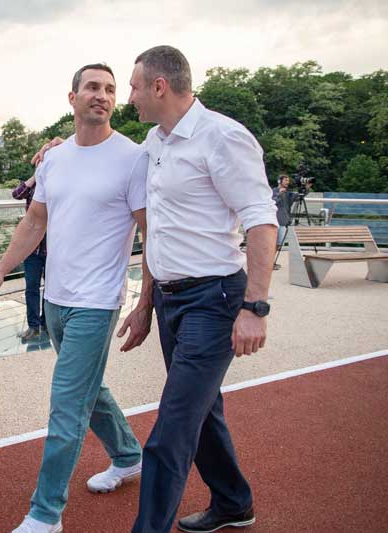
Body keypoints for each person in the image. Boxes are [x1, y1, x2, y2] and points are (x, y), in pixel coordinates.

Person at [0, 63, 150, 533]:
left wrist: (144, 303)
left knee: (66, 403)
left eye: (111, 90)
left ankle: (45, 513)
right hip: (56, 298)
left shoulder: (132, 157)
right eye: (93, 87)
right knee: (89, 390)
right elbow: (36, 222)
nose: (103, 95)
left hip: (98, 301)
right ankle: (129, 455)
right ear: (72, 98)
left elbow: (148, 232)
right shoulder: (54, 159)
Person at [126, 46, 277, 533]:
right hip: (172, 300)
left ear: (159, 86)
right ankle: (234, 503)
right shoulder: (154, 141)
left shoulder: (223, 137)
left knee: (170, 429)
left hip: (215, 300)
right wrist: (148, 302)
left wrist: (255, 307)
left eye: (133, 87)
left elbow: (261, 220)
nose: (130, 98)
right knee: (203, 412)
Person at [12, 175, 47, 341]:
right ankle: (34, 327)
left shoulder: (59, 182)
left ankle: (47, 324)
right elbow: (17, 194)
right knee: (31, 288)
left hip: (53, 248)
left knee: (51, 288)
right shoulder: (33, 186)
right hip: (32, 249)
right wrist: (35, 176)